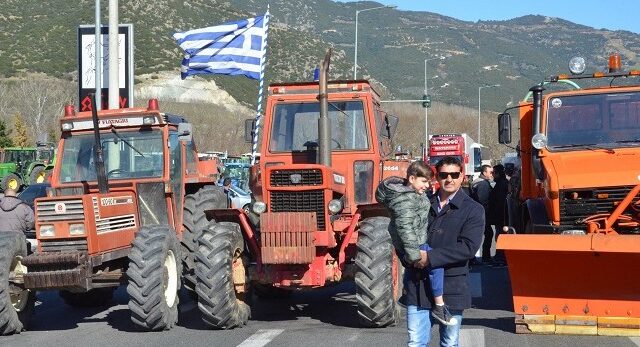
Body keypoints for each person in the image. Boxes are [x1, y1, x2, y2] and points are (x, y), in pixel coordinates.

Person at [403, 156, 484, 347]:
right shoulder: (422, 203)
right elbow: (404, 235)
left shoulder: (473, 209)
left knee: (449, 342)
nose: (449, 179)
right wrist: (409, 257)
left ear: (462, 176)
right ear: (436, 178)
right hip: (418, 285)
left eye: (454, 174)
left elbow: (468, 247)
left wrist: (429, 257)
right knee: (415, 342)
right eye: (444, 175)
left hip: (452, 287)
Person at [375, 161, 458, 329]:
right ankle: (439, 307)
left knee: (419, 271)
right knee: (437, 265)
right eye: (424, 181)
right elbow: (405, 227)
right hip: (414, 244)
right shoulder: (404, 199)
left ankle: (406, 295)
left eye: (429, 182)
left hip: (417, 241)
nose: (427, 186)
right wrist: (414, 254)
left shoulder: (410, 193)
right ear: (412, 178)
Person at [471, 164, 494, 264]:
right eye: (490, 172)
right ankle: (485, 257)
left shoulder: (476, 182)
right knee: (488, 234)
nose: (492, 174)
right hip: (481, 215)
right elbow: (483, 201)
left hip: (476, 213)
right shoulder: (483, 184)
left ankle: (472, 258)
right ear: (484, 173)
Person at [489, 164, 508, 267]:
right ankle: (499, 257)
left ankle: (501, 258)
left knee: (500, 237)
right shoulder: (501, 183)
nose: (492, 175)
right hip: (500, 217)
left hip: (501, 217)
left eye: (493, 173)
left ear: (498, 173)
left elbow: (500, 203)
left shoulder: (501, 184)